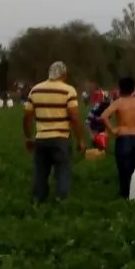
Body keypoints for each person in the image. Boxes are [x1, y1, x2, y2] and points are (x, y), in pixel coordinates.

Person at [23, 61, 87, 203]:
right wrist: (80, 140)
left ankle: (38, 200)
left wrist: (28, 138)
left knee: (40, 172)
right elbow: (75, 117)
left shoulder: (35, 90)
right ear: (63, 75)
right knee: (63, 170)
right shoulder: (68, 90)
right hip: (61, 138)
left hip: (41, 138)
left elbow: (27, 116)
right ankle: (61, 201)